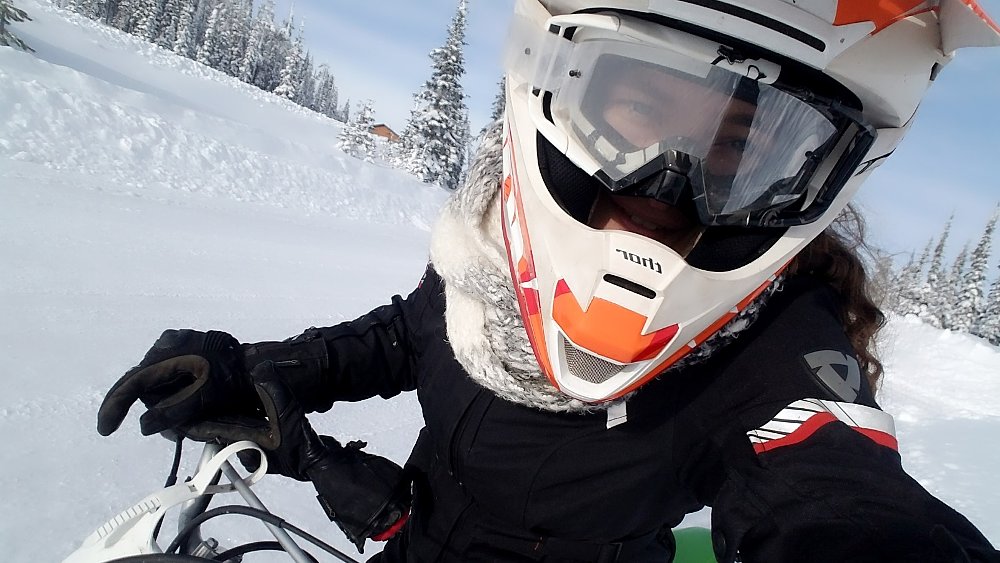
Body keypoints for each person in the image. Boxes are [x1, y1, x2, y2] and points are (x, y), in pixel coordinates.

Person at [95, 1, 1000, 561]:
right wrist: (257, 370)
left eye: (739, 157)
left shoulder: (771, 344)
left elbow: (835, 492)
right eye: (639, 114)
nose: (665, 192)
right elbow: (407, 334)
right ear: (559, 85)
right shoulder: (494, 248)